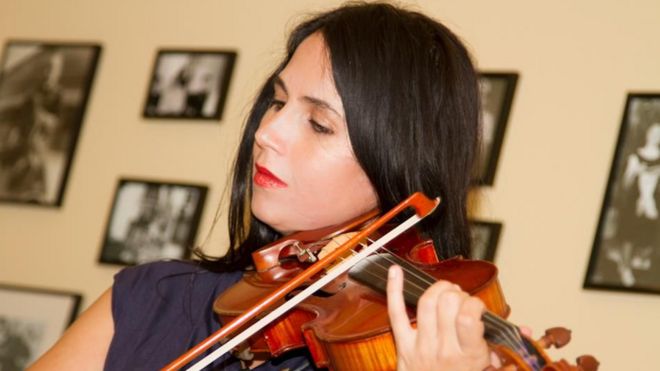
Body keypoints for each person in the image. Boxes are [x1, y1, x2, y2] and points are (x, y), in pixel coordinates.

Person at [29, 2, 491, 370]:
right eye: (277, 101)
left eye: (319, 123)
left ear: (398, 166)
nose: (265, 133)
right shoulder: (154, 296)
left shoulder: (410, 355)